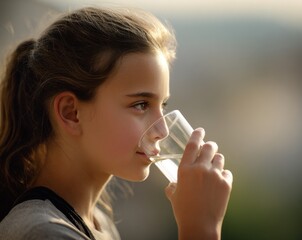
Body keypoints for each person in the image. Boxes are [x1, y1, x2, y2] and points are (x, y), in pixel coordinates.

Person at [0, 6, 233, 240]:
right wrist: (200, 228)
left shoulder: (98, 223)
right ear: (71, 113)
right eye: (141, 104)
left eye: (162, 106)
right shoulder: (42, 231)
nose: (162, 131)